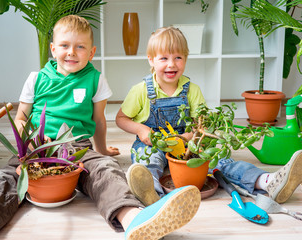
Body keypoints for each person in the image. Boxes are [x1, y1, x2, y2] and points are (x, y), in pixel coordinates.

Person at [0, 16, 201, 240]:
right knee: (7, 177)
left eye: (80, 47)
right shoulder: (37, 79)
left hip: (77, 148)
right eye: (64, 46)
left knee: (106, 170)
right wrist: (26, 141)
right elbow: (21, 117)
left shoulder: (95, 79)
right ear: (53, 49)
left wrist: (102, 151)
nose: (71, 52)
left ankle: (134, 219)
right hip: (37, 147)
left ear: (91, 52)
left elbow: (99, 121)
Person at [115, 26, 302, 207]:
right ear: (151, 60)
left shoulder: (192, 90)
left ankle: (267, 180)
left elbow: (201, 124)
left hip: (188, 143)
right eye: (164, 58)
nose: (171, 64)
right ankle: (152, 195)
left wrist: (191, 137)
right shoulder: (140, 91)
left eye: (178, 57)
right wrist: (141, 129)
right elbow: (121, 118)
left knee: (217, 161)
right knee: (148, 162)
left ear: (186, 59)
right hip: (152, 143)